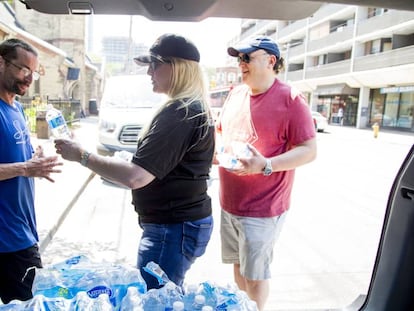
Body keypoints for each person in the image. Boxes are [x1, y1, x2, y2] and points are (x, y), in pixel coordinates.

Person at [54, 34, 215, 290]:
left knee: (158, 301)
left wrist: (82, 156)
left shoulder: (181, 112)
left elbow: (136, 177)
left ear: (178, 67)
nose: (149, 72)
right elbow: (159, 165)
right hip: (178, 225)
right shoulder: (189, 108)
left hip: (172, 228)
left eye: (154, 64)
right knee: (167, 295)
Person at [215, 36, 317, 310]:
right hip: (229, 203)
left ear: (271, 61)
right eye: (239, 59)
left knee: (255, 276)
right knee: (238, 267)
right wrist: (217, 153)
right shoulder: (236, 93)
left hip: (263, 208)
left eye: (247, 57)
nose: (241, 63)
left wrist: (266, 165)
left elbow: (309, 150)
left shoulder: (291, 99)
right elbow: (221, 133)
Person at [0, 38, 62, 304]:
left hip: (23, 227)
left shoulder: (16, 107)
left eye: (33, 72)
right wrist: (26, 167)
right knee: (33, 303)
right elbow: (21, 168)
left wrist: (32, 159)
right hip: (8, 238)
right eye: (23, 69)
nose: (29, 78)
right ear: (1, 62)